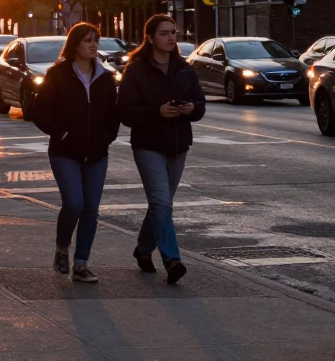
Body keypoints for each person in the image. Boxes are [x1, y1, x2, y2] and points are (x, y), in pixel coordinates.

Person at [117, 14, 205, 284]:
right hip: (148, 145)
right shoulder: (136, 70)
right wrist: (157, 113)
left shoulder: (184, 69)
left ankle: (144, 250)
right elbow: (125, 112)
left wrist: (191, 109)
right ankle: (172, 259)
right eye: (164, 33)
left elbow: (200, 104)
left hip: (178, 145)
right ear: (151, 37)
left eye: (173, 33)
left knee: (161, 205)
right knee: (161, 203)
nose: (170, 38)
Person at [32, 23, 119, 283]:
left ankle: (81, 264)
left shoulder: (105, 77)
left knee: (91, 209)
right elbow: (40, 112)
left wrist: (107, 137)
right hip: (65, 151)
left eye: (95, 40)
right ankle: (62, 247)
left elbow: (113, 115)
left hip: (96, 153)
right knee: (74, 203)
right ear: (75, 45)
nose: (93, 45)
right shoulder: (58, 74)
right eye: (87, 40)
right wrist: (63, 134)